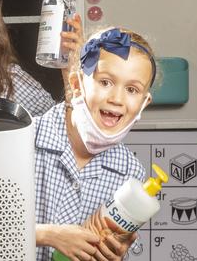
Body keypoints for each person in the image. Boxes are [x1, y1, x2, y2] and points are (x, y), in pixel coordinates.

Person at [34, 27, 157, 261]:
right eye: (105, 82)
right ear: (77, 84)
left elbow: (107, 250)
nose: (117, 99)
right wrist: (46, 234)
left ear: (144, 102)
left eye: (132, 90)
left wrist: (114, 255)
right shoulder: (24, 141)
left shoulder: (130, 174)